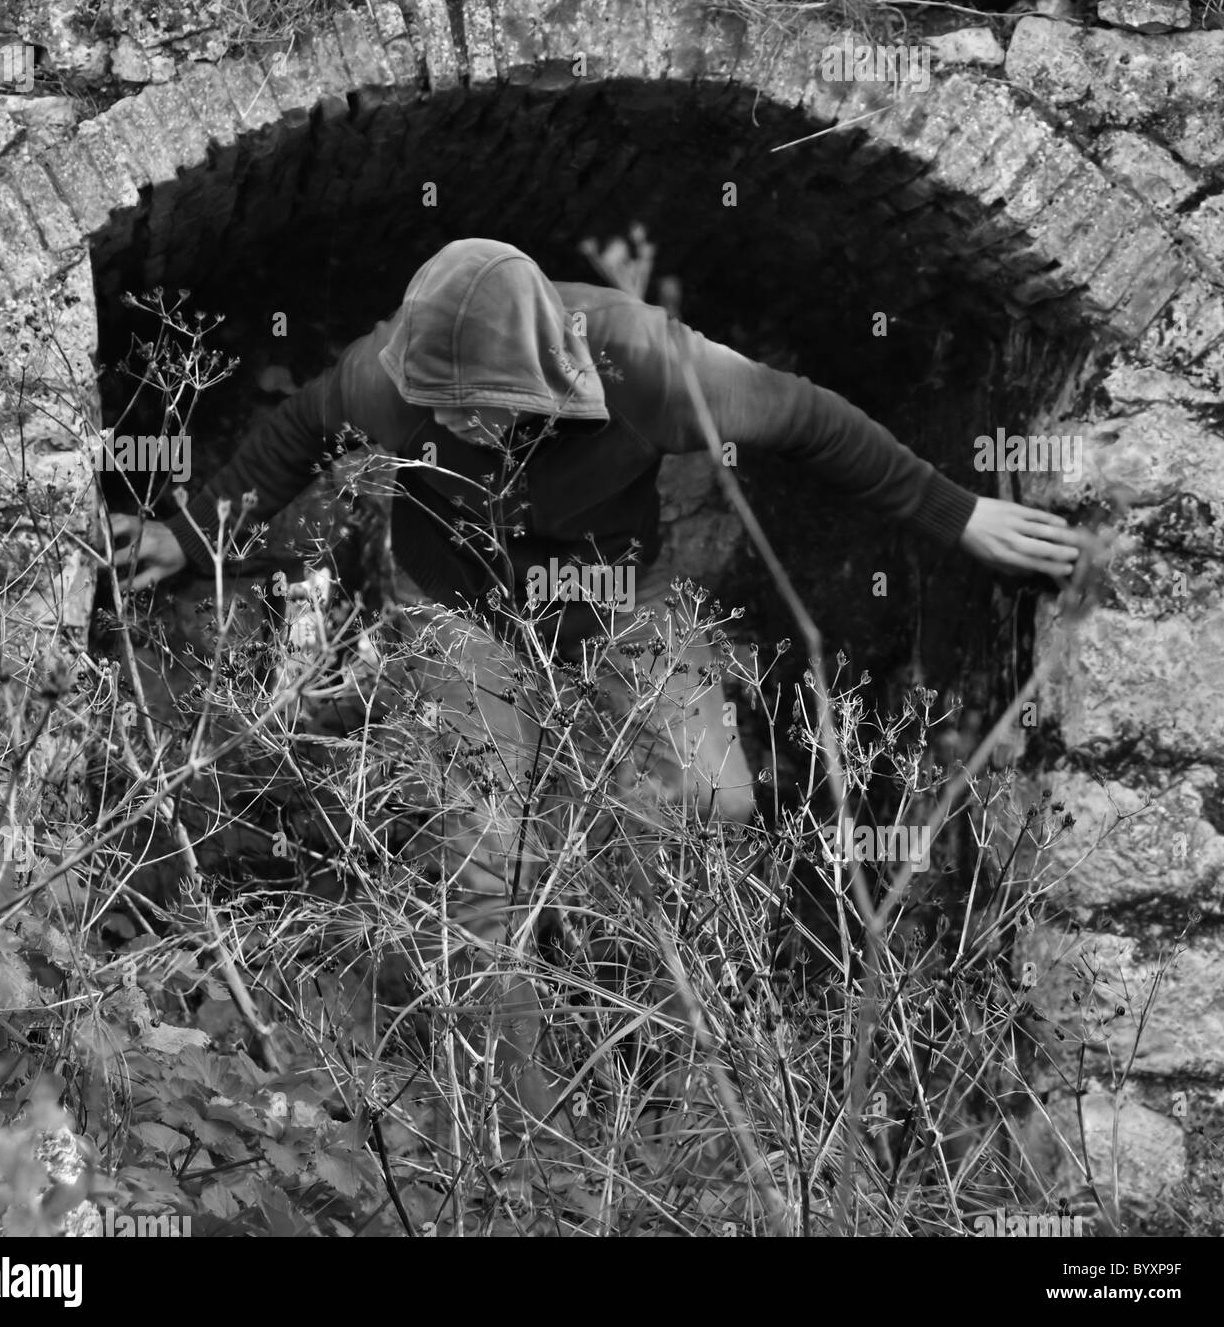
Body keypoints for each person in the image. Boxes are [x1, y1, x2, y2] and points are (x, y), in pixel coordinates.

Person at [111, 238, 1088, 1122]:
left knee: (714, 803)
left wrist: (959, 513)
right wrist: (184, 536)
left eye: (470, 403)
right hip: (458, 603)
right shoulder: (385, 376)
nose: (444, 418)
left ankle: (686, 1086)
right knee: (481, 863)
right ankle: (520, 1145)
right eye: (433, 399)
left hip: (621, 593)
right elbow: (291, 437)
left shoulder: (644, 361)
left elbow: (808, 418)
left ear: (538, 375)